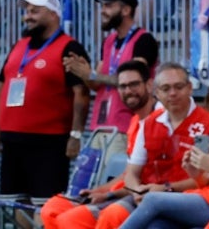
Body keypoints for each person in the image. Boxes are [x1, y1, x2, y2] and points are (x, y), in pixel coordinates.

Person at [120, 75, 209, 229]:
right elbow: (208, 180)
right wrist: (195, 172)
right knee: (157, 226)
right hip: (207, 195)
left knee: (152, 200)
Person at [0, 0, 91, 213]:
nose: (28, 16)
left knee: (46, 208)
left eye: (35, 11)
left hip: (49, 143)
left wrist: (75, 135)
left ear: (54, 14)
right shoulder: (20, 45)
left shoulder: (70, 47)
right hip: (12, 140)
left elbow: (81, 93)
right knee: (14, 207)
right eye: (27, 11)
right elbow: (1, 85)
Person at [92, 62, 209, 229]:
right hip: (149, 195)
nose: (173, 93)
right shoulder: (149, 123)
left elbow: (208, 178)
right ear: (156, 93)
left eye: (179, 87)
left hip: (191, 198)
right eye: (166, 89)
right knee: (115, 213)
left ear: (190, 88)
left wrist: (164, 189)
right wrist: (137, 190)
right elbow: (132, 173)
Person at [40, 61, 156, 229]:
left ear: (149, 85)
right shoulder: (134, 121)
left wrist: (108, 195)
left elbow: (149, 180)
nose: (128, 91)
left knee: (72, 220)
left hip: (140, 198)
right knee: (52, 208)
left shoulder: (161, 120)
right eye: (122, 86)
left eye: (134, 84)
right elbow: (128, 174)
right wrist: (99, 191)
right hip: (120, 193)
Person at [64, 0, 159, 131]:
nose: (102, 11)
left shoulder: (144, 40)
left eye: (108, 6)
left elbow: (133, 83)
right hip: (100, 125)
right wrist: (84, 73)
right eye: (102, 6)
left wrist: (93, 75)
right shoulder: (108, 41)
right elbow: (96, 84)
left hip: (128, 126)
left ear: (126, 10)